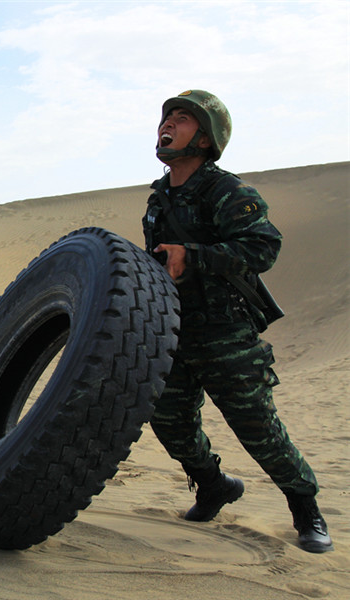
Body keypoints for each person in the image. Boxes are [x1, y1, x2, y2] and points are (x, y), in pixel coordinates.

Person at [143, 89, 332, 553]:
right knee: (170, 423)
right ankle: (212, 484)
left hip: (225, 332)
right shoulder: (158, 198)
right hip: (173, 332)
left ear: (205, 139)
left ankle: (305, 506)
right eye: (166, 118)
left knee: (258, 429)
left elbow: (262, 249)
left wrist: (195, 255)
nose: (167, 125)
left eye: (182, 119)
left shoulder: (228, 191)